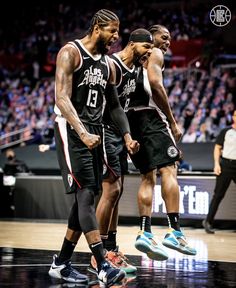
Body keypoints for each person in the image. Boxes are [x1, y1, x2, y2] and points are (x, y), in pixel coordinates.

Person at [48, 9, 139, 286]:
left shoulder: (108, 65)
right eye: (112, 30)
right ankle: (102, 264)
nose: (116, 37)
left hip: (95, 132)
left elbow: (114, 105)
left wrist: (126, 136)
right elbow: (61, 98)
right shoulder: (70, 52)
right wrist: (83, 132)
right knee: (86, 194)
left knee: (87, 196)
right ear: (97, 27)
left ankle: (61, 262)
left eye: (117, 31)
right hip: (71, 129)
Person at [126, 24, 197, 260]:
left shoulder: (130, 60)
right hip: (151, 117)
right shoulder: (154, 52)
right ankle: (174, 231)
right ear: (152, 37)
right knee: (169, 169)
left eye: (169, 39)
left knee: (147, 176)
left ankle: (144, 232)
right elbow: (155, 84)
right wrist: (172, 120)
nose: (167, 43)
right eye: (164, 37)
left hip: (130, 120)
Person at [89, 28, 153, 274]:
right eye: (146, 47)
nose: (149, 52)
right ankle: (99, 254)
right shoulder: (112, 64)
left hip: (121, 134)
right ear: (133, 43)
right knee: (111, 189)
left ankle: (111, 247)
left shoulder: (137, 69)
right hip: (105, 130)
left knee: (118, 191)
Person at [202, 109, 236, 234]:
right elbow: (217, 148)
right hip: (226, 164)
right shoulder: (226, 131)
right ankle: (208, 221)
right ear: (233, 117)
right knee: (218, 195)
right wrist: (216, 164)